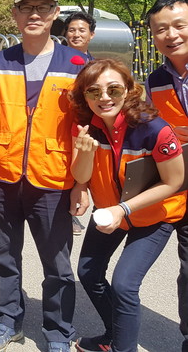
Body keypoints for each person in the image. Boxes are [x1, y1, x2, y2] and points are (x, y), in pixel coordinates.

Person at [0, 0, 85, 352]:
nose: (34, 14)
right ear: (15, 14)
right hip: (1, 176)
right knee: (5, 256)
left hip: (52, 177)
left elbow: (87, 129)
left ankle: (58, 331)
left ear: (55, 13)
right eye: (26, 7)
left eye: (42, 7)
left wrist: (82, 184)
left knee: (57, 263)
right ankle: (8, 321)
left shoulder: (77, 65)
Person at [70, 58, 187, 352]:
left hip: (153, 216)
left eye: (113, 89)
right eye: (94, 91)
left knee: (124, 285)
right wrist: (85, 153)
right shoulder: (86, 127)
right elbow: (81, 177)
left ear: (129, 90)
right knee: (88, 273)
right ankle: (114, 335)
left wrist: (123, 209)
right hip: (110, 213)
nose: (104, 98)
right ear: (85, 95)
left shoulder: (154, 129)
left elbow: (174, 181)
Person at [145, 0, 188, 352]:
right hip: (179, 186)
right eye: (161, 30)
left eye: (179, 26)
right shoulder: (156, 79)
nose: (170, 35)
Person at [62, 10, 96, 236]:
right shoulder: (56, 61)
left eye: (82, 30)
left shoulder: (95, 66)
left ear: (91, 34)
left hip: (84, 125)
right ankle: (67, 215)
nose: (76, 34)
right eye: (72, 30)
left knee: (82, 169)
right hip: (59, 124)